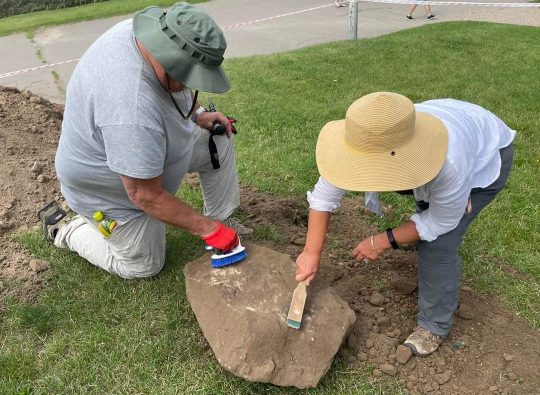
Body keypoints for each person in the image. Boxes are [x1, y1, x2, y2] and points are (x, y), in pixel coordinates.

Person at [39, 2, 252, 279]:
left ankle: (223, 219)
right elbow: (145, 194)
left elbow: (174, 89)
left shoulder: (146, 36)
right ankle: (67, 230)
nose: (189, 85)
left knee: (217, 138)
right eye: (188, 76)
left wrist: (198, 113)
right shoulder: (130, 107)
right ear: (167, 57)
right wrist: (206, 229)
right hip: (108, 188)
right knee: (143, 265)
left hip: (144, 152)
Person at [295, 92, 515, 356]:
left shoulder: (450, 163)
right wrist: (310, 253)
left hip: (486, 155)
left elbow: (441, 221)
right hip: (445, 126)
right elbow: (323, 198)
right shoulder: (364, 138)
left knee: (437, 246)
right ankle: (411, 235)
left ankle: (435, 324)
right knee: (424, 213)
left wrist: (383, 240)